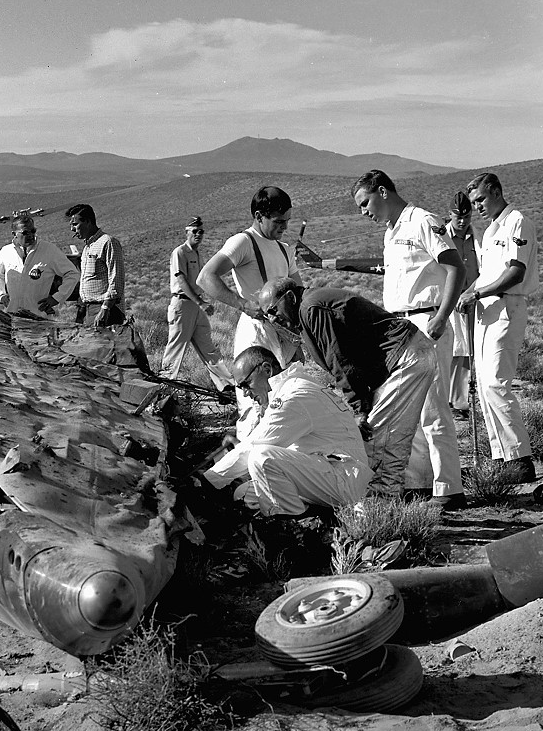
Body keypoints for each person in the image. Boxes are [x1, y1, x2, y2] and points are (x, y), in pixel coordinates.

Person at [258, 278, 438, 502]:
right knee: (389, 435)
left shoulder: (311, 308)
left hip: (405, 357)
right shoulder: (307, 310)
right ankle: (398, 497)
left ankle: (382, 506)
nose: (274, 319)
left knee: (380, 438)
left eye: (274, 310)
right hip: (408, 354)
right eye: (268, 315)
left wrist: (357, 409)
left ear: (291, 298)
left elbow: (340, 361)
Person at [351, 169, 464, 504]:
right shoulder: (391, 231)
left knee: (432, 408)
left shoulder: (422, 221)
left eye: (365, 203)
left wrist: (442, 317)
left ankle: (449, 489)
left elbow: (455, 267)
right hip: (400, 327)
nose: (364, 212)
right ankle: (418, 485)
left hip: (426, 320)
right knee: (408, 409)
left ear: (383, 192)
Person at [203, 346, 371, 517]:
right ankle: (313, 511)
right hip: (328, 470)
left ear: (267, 369)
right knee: (244, 494)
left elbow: (255, 445)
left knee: (261, 457)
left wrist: (207, 480)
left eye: (246, 384)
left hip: (345, 479)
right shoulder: (294, 385)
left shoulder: (294, 395)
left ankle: (292, 519)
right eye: (240, 387)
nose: (246, 393)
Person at [196, 186, 304, 436]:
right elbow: (206, 277)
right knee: (254, 402)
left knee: (285, 400)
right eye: (278, 221)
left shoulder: (284, 249)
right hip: (256, 333)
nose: (284, 227)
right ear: (259, 216)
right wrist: (243, 304)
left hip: (283, 335)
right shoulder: (243, 242)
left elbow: (298, 291)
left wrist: (297, 338)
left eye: (287, 221)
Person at [457, 172, 539, 484]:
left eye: (481, 199)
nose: (477, 206)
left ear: (496, 191)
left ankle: (519, 459)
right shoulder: (490, 230)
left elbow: (515, 273)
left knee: (495, 383)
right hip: (485, 310)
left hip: (507, 306)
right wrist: (467, 292)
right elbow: (487, 273)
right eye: (474, 202)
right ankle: (501, 458)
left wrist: (477, 292)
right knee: (483, 385)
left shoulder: (517, 221)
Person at [159, 217, 234, 391]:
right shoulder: (180, 252)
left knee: (208, 347)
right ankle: (163, 389)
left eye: (201, 231)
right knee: (176, 349)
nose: (198, 234)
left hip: (196, 306)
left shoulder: (198, 254)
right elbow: (182, 280)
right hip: (183, 305)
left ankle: (227, 387)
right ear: (187, 233)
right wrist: (201, 303)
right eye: (194, 231)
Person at [0, 214, 79, 317]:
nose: (31, 235)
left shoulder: (49, 250)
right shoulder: (6, 252)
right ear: (14, 234)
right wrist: (1, 295)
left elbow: (72, 274)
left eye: (33, 231)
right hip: (13, 316)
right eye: (25, 232)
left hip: (39, 317)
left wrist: (56, 298)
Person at [445, 192, 480, 420]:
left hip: (474, 299)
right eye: (458, 216)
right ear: (449, 214)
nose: (462, 221)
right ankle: (453, 401)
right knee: (455, 350)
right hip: (449, 301)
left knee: (469, 350)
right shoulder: (441, 236)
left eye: (466, 216)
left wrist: (471, 292)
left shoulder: (480, 237)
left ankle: (461, 400)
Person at [67, 204, 125, 326]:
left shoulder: (108, 242)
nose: (72, 229)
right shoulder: (88, 247)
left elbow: (116, 279)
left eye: (75, 224)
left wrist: (105, 309)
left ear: (87, 222)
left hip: (105, 310)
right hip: (89, 309)